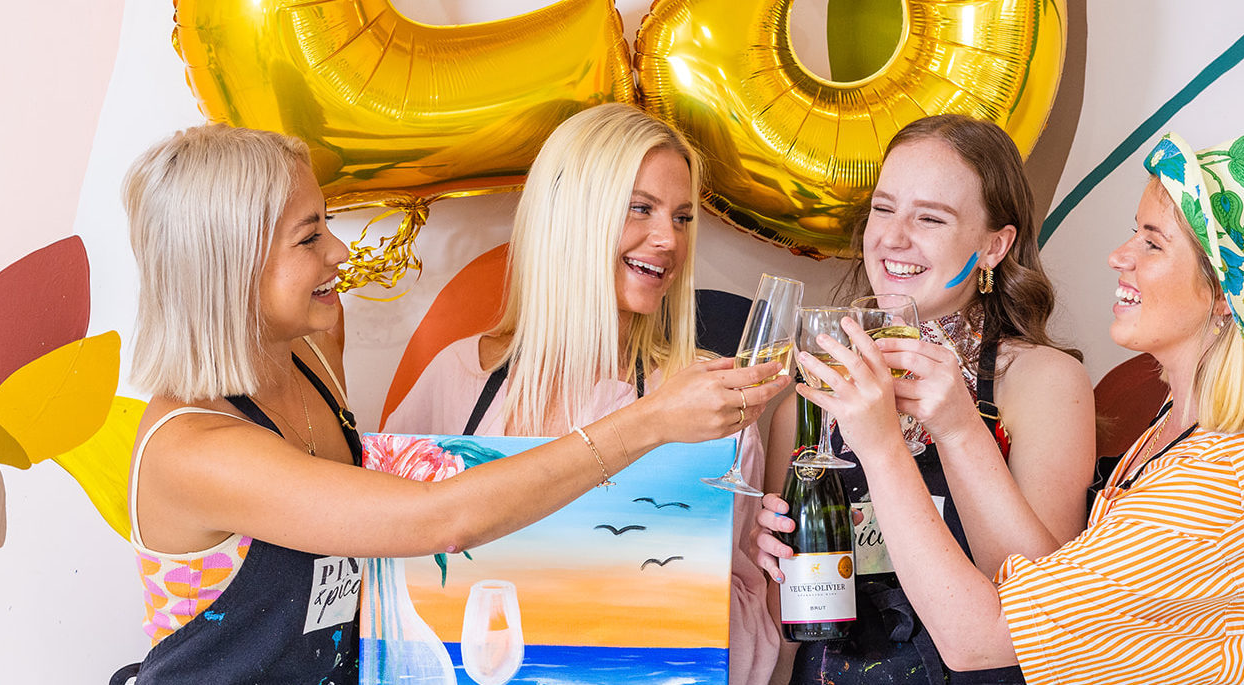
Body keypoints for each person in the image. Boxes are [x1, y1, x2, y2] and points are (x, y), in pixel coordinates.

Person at [118, 123, 787, 684]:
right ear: (232, 264)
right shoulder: (195, 451)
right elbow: (440, 519)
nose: (341, 250)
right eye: (310, 235)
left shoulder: (317, 347)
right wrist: (647, 423)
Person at [772, 128, 1244, 683]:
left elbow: (979, 637)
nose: (1118, 256)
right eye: (883, 207)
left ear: (1225, 299)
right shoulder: (1219, 412)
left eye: (1152, 243)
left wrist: (882, 447)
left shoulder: (1229, 482)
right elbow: (1040, 587)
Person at [383, 103, 780, 685]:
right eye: (639, 208)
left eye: (684, 217)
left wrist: (761, 562)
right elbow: (382, 562)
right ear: (568, 216)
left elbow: (751, 624)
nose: (668, 238)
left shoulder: (713, 400)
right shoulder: (457, 379)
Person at [755, 115, 1097, 684]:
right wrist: (770, 561)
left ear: (994, 246)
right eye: (884, 209)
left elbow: (1042, 613)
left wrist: (949, 431)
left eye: (930, 218)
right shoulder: (811, 398)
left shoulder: (1043, 382)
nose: (892, 237)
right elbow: (787, 633)